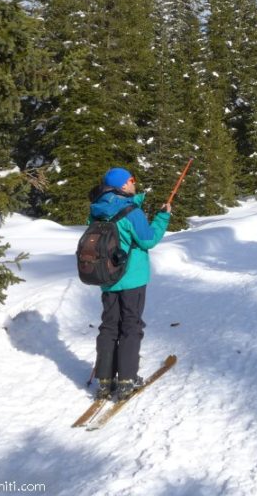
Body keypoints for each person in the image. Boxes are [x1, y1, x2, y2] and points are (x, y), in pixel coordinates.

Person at [88, 166, 171, 400]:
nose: (135, 182)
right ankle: (126, 380)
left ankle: (105, 381)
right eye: (132, 180)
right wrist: (163, 217)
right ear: (124, 184)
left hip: (106, 276)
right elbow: (148, 240)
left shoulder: (97, 208)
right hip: (132, 277)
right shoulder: (131, 211)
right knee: (131, 325)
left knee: (109, 325)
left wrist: (138, 202)